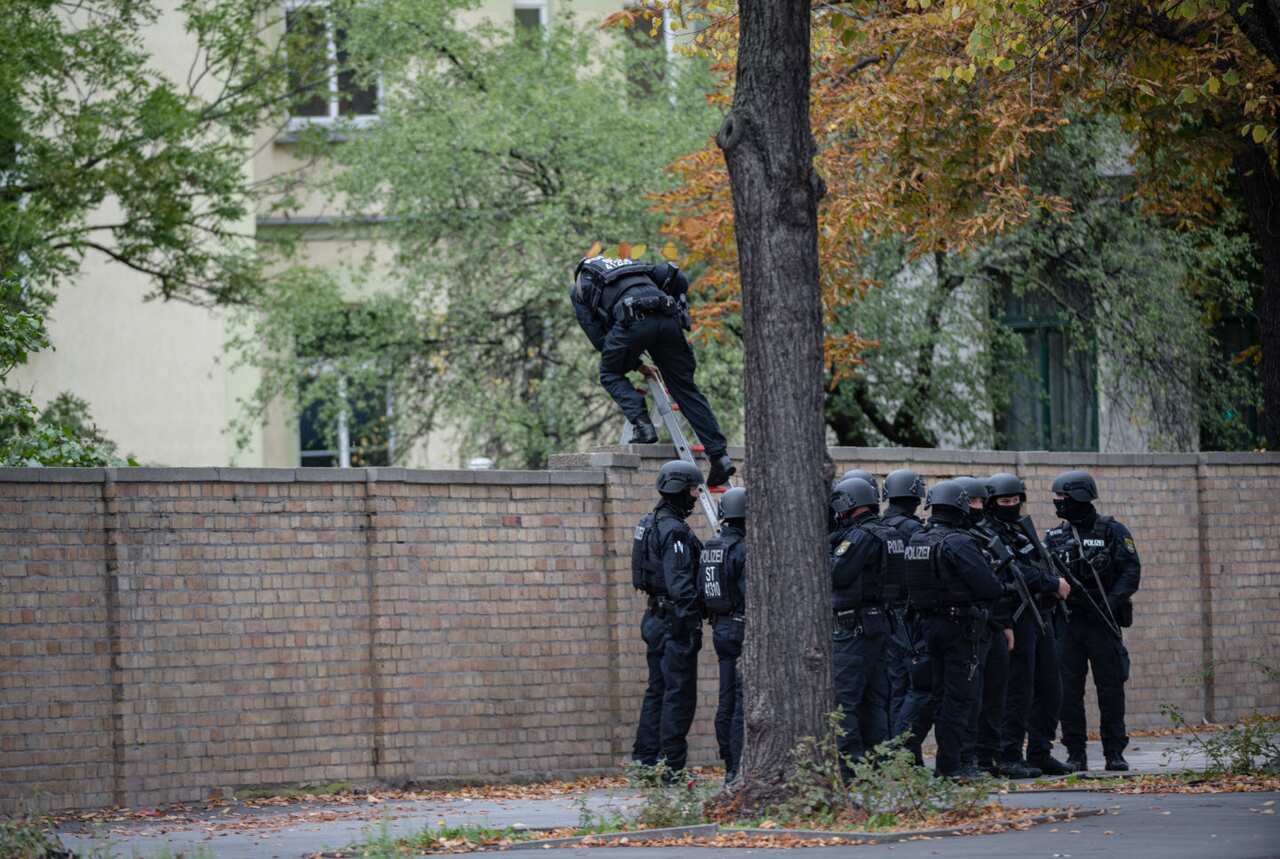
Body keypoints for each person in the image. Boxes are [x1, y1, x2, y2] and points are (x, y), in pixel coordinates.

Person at [571, 255, 734, 487]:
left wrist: (633, 363)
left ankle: (643, 425)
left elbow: (598, 338)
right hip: (667, 319)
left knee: (609, 373)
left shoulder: (580, 287)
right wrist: (681, 305)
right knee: (685, 389)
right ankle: (719, 457)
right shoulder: (631, 266)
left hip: (632, 322)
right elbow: (676, 274)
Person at [905, 479, 1004, 779]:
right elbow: (990, 588)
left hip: (927, 627)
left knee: (935, 695)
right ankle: (951, 767)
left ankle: (928, 760)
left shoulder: (917, 540)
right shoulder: (960, 543)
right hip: (958, 628)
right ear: (960, 506)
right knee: (958, 698)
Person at [1045, 470, 1141, 772]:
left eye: (1062, 497)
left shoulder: (1112, 531)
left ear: (1080, 496)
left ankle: (1114, 751)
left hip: (1103, 621)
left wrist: (1110, 604)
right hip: (1069, 623)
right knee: (1069, 692)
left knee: (1110, 689)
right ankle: (1076, 753)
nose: (1058, 503)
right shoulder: (1054, 537)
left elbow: (1130, 572)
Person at [985, 472, 1074, 777]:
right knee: (1018, 689)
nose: (1010, 505)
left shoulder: (1021, 531)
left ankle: (1040, 751)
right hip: (1015, 615)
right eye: (1004, 501)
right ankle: (1009, 754)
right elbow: (1015, 571)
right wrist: (1051, 583)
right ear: (991, 502)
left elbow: (1036, 562)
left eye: (1014, 500)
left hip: (1040, 614)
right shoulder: (988, 533)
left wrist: (1051, 582)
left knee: (1051, 686)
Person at [630, 460, 706, 772]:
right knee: (678, 694)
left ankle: (646, 762)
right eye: (691, 489)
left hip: (655, 617)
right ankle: (671, 767)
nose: (695, 496)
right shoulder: (674, 531)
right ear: (678, 489)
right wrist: (694, 616)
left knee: (657, 690)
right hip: (675, 622)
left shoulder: (648, 522)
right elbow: (680, 584)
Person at [828, 477, 897, 768]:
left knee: (845, 701)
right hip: (879, 623)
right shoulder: (888, 533)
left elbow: (837, 574)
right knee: (875, 699)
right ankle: (876, 764)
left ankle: (848, 767)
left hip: (854, 629)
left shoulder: (859, 537)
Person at [953, 476, 1015, 777]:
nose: (979, 507)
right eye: (974, 501)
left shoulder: (985, 536)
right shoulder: (957, 539)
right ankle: (969, 758)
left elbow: (1000, 585)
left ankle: (989, 756)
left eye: (981, 501)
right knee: (971, 697)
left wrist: (1004, 624)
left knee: (995, 696)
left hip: (993, 625)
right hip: (970, 627)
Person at [699, 488, 747, 781]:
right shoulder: (743, 550)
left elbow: (701, 591)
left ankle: (729, 763)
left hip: (719, 628)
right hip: (741, 628)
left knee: (726, 697)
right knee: (742, 699)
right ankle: (738, 765)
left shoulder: (710, 548)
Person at [880, 469, 927, 740]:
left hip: (886, 614)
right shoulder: (912, 530)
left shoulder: (880, 526)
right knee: (914, 686)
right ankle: (904, 750)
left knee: (894, 685)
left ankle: (895, 751)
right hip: (908, 616)